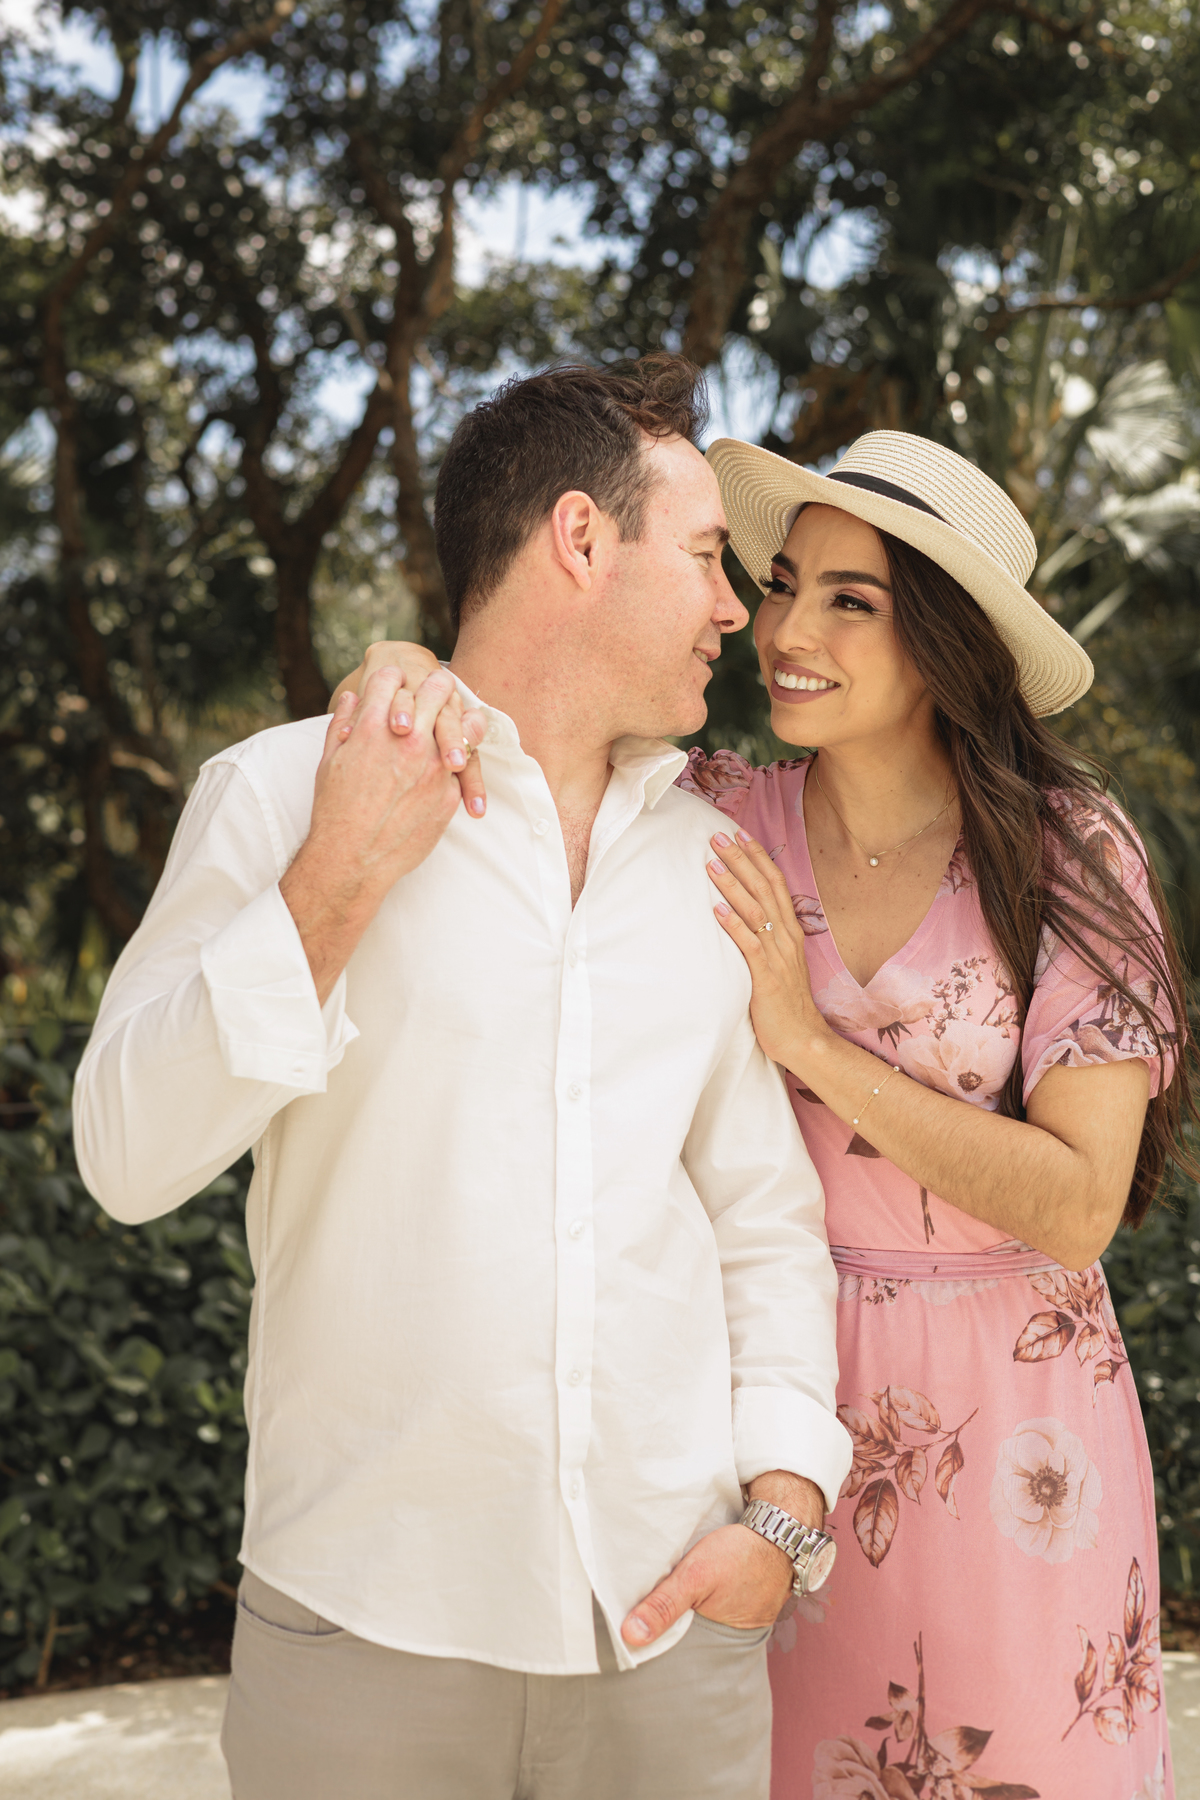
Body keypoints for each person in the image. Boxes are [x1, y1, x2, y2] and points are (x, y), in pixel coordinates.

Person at [350, 421, 1192, 1799]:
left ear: (947, 640)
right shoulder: (709, 815)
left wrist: (809, 1039)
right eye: (785, 583)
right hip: (768, 1415)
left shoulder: (1066, 846)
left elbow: (1081, 1201)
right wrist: (397, 673)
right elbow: (516, 722)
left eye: (850, 601)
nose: (786, 627)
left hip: (1024, 1424)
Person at [72, 357, 852, 1800]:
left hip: (669, 1638)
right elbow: (124, 1156)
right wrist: (338, 876)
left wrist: (785, 1512)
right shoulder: (280, 793)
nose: (736, 610)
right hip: (362, 1631)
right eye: (703, 558)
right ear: (578, 539)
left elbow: (759, 1218)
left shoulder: (711, 857)